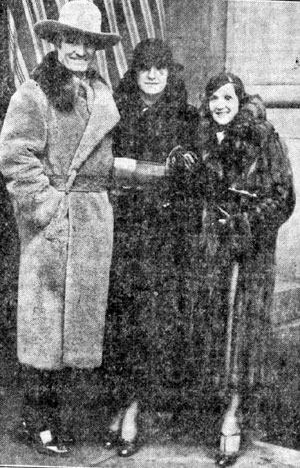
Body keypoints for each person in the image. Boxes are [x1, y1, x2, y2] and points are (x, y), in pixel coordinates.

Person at [0, 0, 121, 456]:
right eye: (72, 40)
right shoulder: (34, 93)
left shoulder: (100, 93)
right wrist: (47, 208)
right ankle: (38, 421)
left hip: (91, 223)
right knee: (44, 328)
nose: (79, 51)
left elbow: (103, 160)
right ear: (56, 41)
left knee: (79, 330)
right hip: (51, 226)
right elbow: (15, 158)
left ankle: (65, 421)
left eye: (88, 44)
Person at [183, 72, 295, 466]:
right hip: (211, 251)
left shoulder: (263, 136)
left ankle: (232, 416)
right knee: (215, 332)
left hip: (249, 255)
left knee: (241, 336)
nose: (220, 106)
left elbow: (284, 196)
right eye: (213, 98)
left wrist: (243, 224)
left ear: (240, 99)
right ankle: (220, 411)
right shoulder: (199, 137)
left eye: (228, 98)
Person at [102, 38, 199, 457]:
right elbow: (105, 165)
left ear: (170, 73)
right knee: (120, 322)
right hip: (122, 232)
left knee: (150, 326)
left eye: (161, 67)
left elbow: (194, 179)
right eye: (146, 68)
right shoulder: (117, 113)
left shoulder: (186, 116)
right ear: (135, 73)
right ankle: (119, 402)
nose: (154, 75)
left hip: (164, 237)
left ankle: (134, 412)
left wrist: (170, 176)